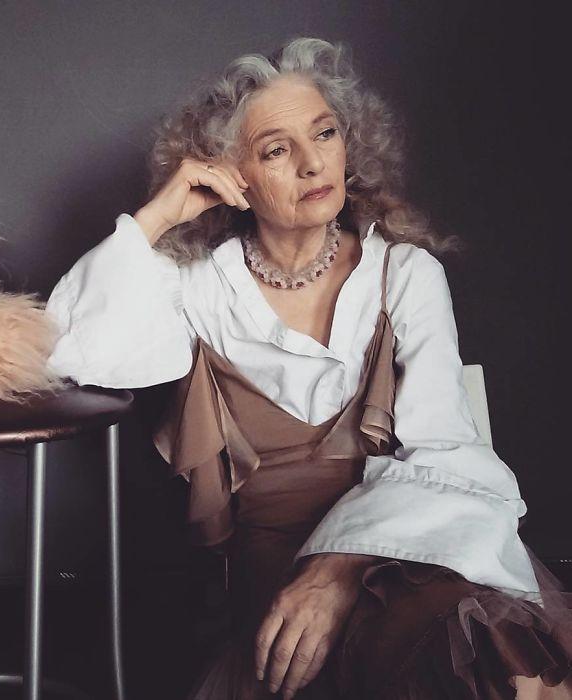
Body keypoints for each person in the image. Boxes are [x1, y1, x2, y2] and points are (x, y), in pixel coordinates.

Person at [45, 37, 572, 699]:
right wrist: (157, 217)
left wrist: (341, 568)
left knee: (503, 660)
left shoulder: (404, 274)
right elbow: (69, 352)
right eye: (276, 150)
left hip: (413, 538)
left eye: (324, 134)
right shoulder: (200, 287)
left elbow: (445, 451)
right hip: (281, 567)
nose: (312, 162)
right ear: (232, 173)